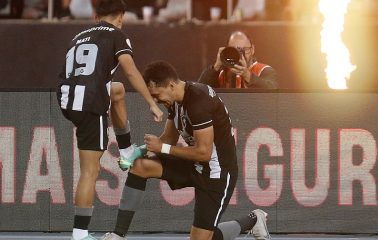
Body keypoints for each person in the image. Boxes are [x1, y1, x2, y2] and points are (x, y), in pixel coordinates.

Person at [100, 61, 271, 240]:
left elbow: (203, 152)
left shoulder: (199, 102)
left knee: (201, 239)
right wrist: (137, 152)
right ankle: (118, 235)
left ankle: (251, 220)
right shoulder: (174, 101)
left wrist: (162, 148)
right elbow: (168, 139)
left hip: (216, 173)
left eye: (156, 95)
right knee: (141, 166)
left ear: (171, 85)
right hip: (195, 164)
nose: (156, 101)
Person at [56, 0, 163, 239]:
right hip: (91, 104)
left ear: (96, 15)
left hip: (69, 98)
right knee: (89, 172)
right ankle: (80, 234)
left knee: (117, 90)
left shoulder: (79, 36)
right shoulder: (117, 34)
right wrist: (152, 103)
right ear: (121, 17)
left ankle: (126, 151)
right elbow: (131, 70)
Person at [198, 31, 278, 89]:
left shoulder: (264, 70)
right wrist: (216, 66)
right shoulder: (222, 73)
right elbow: (200, 91)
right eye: (235, 51)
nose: (241, 55)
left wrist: (247, 75)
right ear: (227, 50)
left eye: (245, 50)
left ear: (253, 49)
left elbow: (274, 92)